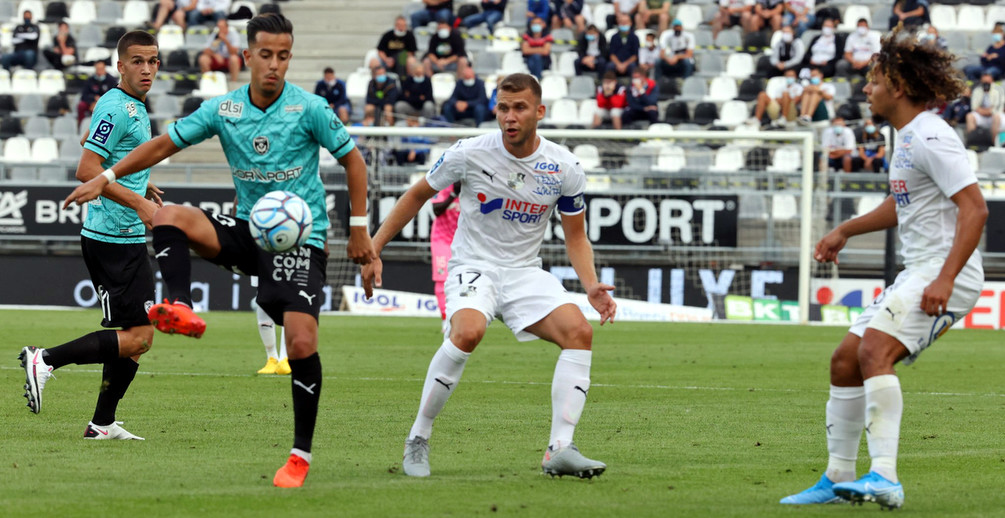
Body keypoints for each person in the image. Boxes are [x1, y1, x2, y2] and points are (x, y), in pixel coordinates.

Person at [62, 13, 376, 489]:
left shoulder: (309, 108)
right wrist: (105, 178)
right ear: (247, 57)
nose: (274, 64)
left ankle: (298, 455)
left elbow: (353, 160)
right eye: (265, 54)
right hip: (250, 232)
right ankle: (181, 307)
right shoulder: (224, 109)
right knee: (169, 216)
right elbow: (161, 147)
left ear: (290, 57)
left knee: (301, 343)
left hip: (300, 241)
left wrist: (359, 231)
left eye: (283, 55)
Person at [360, 72, 616, 479]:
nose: (509, 117)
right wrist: (374, 247)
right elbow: (416, 195)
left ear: (540, 112)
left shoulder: (564, 167)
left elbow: (576, 235)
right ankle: (418, 438)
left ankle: (560, 449)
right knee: (467, 333)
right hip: (473, 265)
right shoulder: (469, 152)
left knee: (579, 333)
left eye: (519, 108)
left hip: (524, 273)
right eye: (502, 108)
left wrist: (591, 287)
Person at [780, 26, 986, 510]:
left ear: (897, 86)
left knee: (875, 353)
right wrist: (845, 230)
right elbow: (903, 205)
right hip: (920, 270)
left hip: (942, 272)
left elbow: (975, 209)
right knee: (845, 360)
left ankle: (885, 477)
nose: (867, 89)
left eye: (874, 80)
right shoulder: (907, 138)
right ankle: (837, 478)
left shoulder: (932, 136)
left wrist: (944, 279)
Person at [19, 31, 163, 441]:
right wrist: (137, 202)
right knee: (140, 336)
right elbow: (87, 168)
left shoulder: (130, 106)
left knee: (133, 340)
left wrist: (141, 183)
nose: (147, 69)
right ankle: (44, 360)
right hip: (113, 237)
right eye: (137, 61)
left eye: (153, 61)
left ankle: (101, 424)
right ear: (120, 66)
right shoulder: (118, 106)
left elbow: (99, 148)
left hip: (122, 236)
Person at [429, 181, 461, 330]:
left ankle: (460, 316)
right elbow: (436, 210)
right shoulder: (443, 183)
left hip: (464, 241)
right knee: (442, 279)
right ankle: (445, 318)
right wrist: (454, 194)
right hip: (442, 239)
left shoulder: (475, 184)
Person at [253, 278, 290, 375]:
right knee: (263, 294)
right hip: (262, 265)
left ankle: (285, 359)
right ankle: (272, 359)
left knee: (289, 294)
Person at [77, 61, 119, 129]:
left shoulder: (112, 80)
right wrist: (92, 100)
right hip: (92, 103)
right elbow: (84, 95)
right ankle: (80, 126)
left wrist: (100, 102)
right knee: (81, 105)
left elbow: (114, 95)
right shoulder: (90, 80)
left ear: (105, 69)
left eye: (101, 69)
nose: (99, 71)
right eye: (98, 69)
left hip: (106, 104)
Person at [965, 73, 1003, 140]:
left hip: (995, 116)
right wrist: (984, 111)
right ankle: (972, 141)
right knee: (970, 116)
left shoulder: (998, 90)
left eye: (988, 82)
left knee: (997, 117)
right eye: (984, 82)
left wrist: (989, 111)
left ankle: (994, 142)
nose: (986, 84)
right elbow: (974, 106)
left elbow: (998, 107)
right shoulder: (977, 90)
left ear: (992, 81)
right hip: (982, 116)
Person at [606, 13, 640, 78]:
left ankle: (632, 86)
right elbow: (612, 54)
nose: (624, 24)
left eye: (626, 22)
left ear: (630, 23)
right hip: (616, 62)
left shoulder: (634, 38)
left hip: (629, 63)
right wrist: (618, 64)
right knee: (610, 66)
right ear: (618, 24)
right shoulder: (614, 37)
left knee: (633, 66)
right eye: (622, 22)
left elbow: (635, 55)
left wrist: (624, 65)